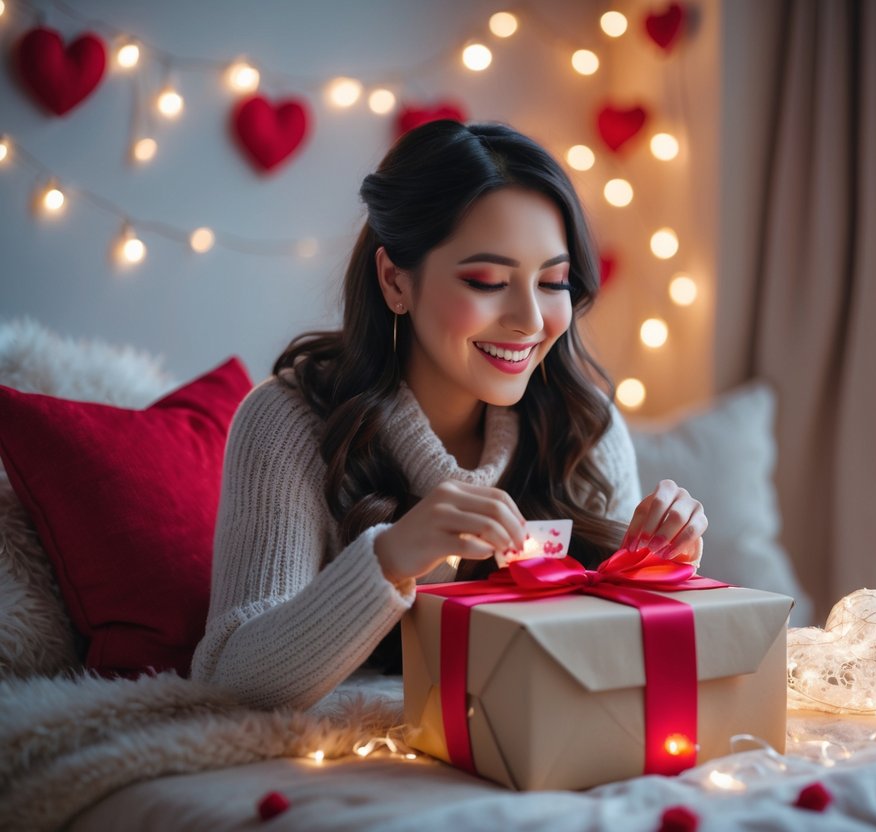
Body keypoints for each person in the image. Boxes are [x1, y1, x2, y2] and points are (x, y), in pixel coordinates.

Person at [190, 120, 708, 710]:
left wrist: (655, 573)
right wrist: (390, 560)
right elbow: (227, 683)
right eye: (487, 281)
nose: (531, 321)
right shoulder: (289, 423)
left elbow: (610, 676)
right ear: (394, 281)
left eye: (553, 281)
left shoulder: (583, 424)